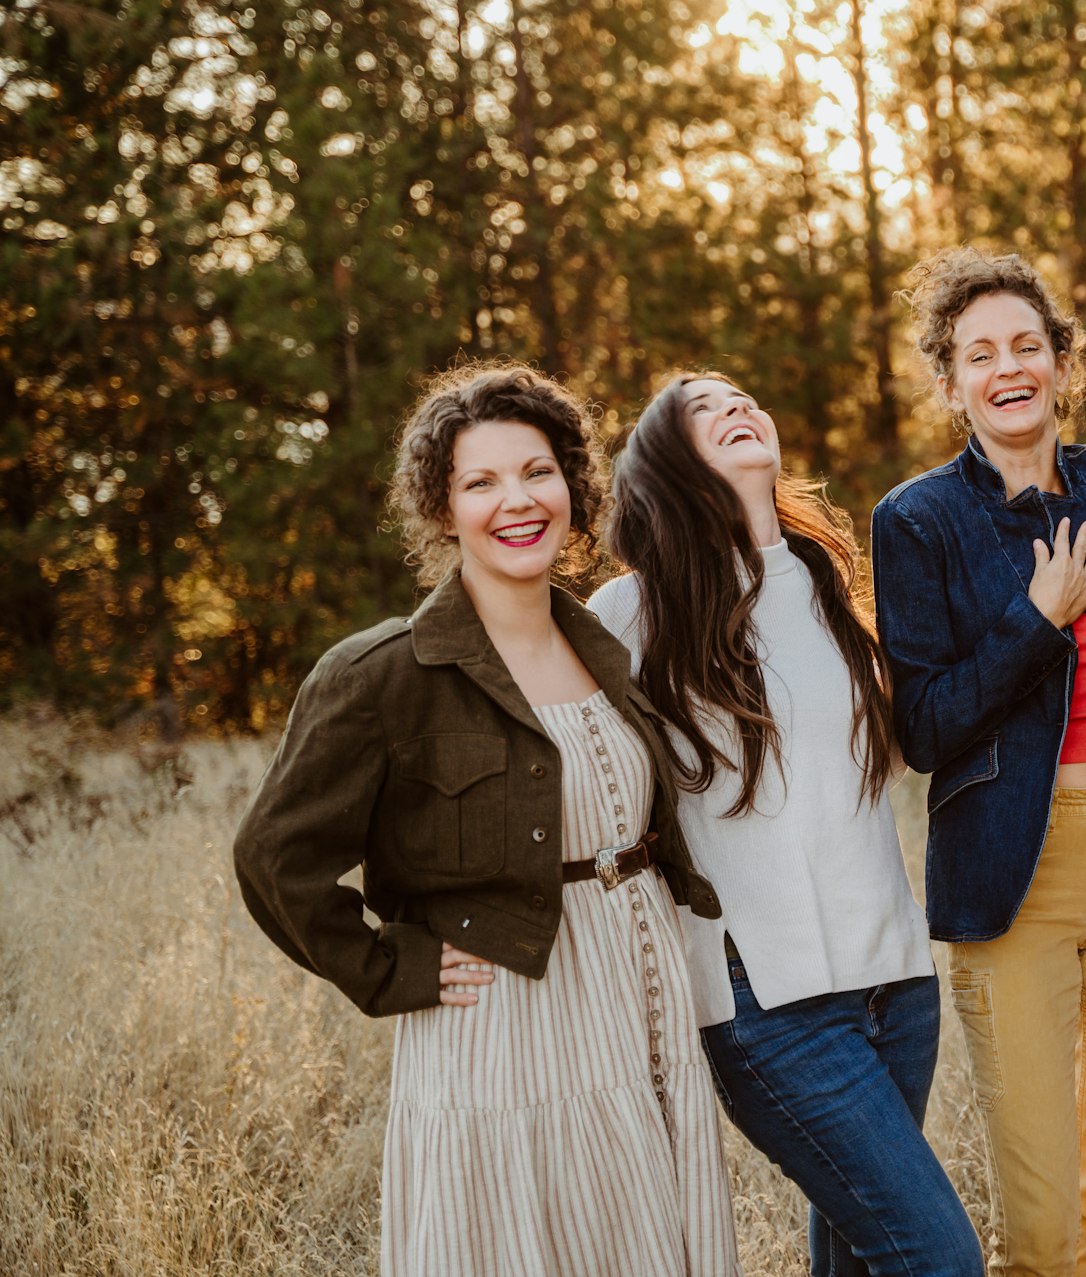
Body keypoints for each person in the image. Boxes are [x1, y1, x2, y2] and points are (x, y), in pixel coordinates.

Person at [232, 364, 740, 1277]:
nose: (518, 500)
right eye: (481, 481)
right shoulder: (385, 672)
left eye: (538, 472)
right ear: (442, 508)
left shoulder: (606, 647)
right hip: (505, 1028)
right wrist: (393, 964)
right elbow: (274, 858)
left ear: (574, 490)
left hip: (636, 1001)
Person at [589, 372, 982, 1277]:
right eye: (701, 410)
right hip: (767, 1005)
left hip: (895, 981)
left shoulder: (825, 581)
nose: (734, 407)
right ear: (667, 463)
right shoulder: (633, 611)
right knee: (940, 1257)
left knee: (857, 1257)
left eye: (740, 396)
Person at [871, 248, 1086, 1277]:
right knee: (1042, 1228)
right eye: (979, 353)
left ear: (1061, 363)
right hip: (1014, 875)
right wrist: (1034, 622)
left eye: (1027, 346)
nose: (1008, 368)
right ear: (950, 381)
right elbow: (924, 727)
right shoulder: (916, 520)